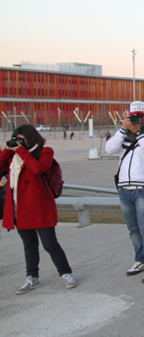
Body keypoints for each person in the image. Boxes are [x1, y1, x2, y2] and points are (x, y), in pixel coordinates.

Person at [0, 124, 77, 294]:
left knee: (50, 243)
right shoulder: (14, 156)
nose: (19, 142)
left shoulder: (45, 151)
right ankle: (32, 277)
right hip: (18, 207)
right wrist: (8, 149)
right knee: (29, 244)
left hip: (40, 206)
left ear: (31, 137)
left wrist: (21, 151)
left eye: (22, 138)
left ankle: (65, 273)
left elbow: (38, 169)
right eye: (16, 138)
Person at [105, 101, 144, 283]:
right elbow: (109, 148)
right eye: (133, 116)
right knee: (133, 229)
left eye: (140, 116)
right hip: (125, 187)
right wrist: (124, 130)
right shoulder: (122, 133)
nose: (137, 119)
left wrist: (138, 133)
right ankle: (140, 260)